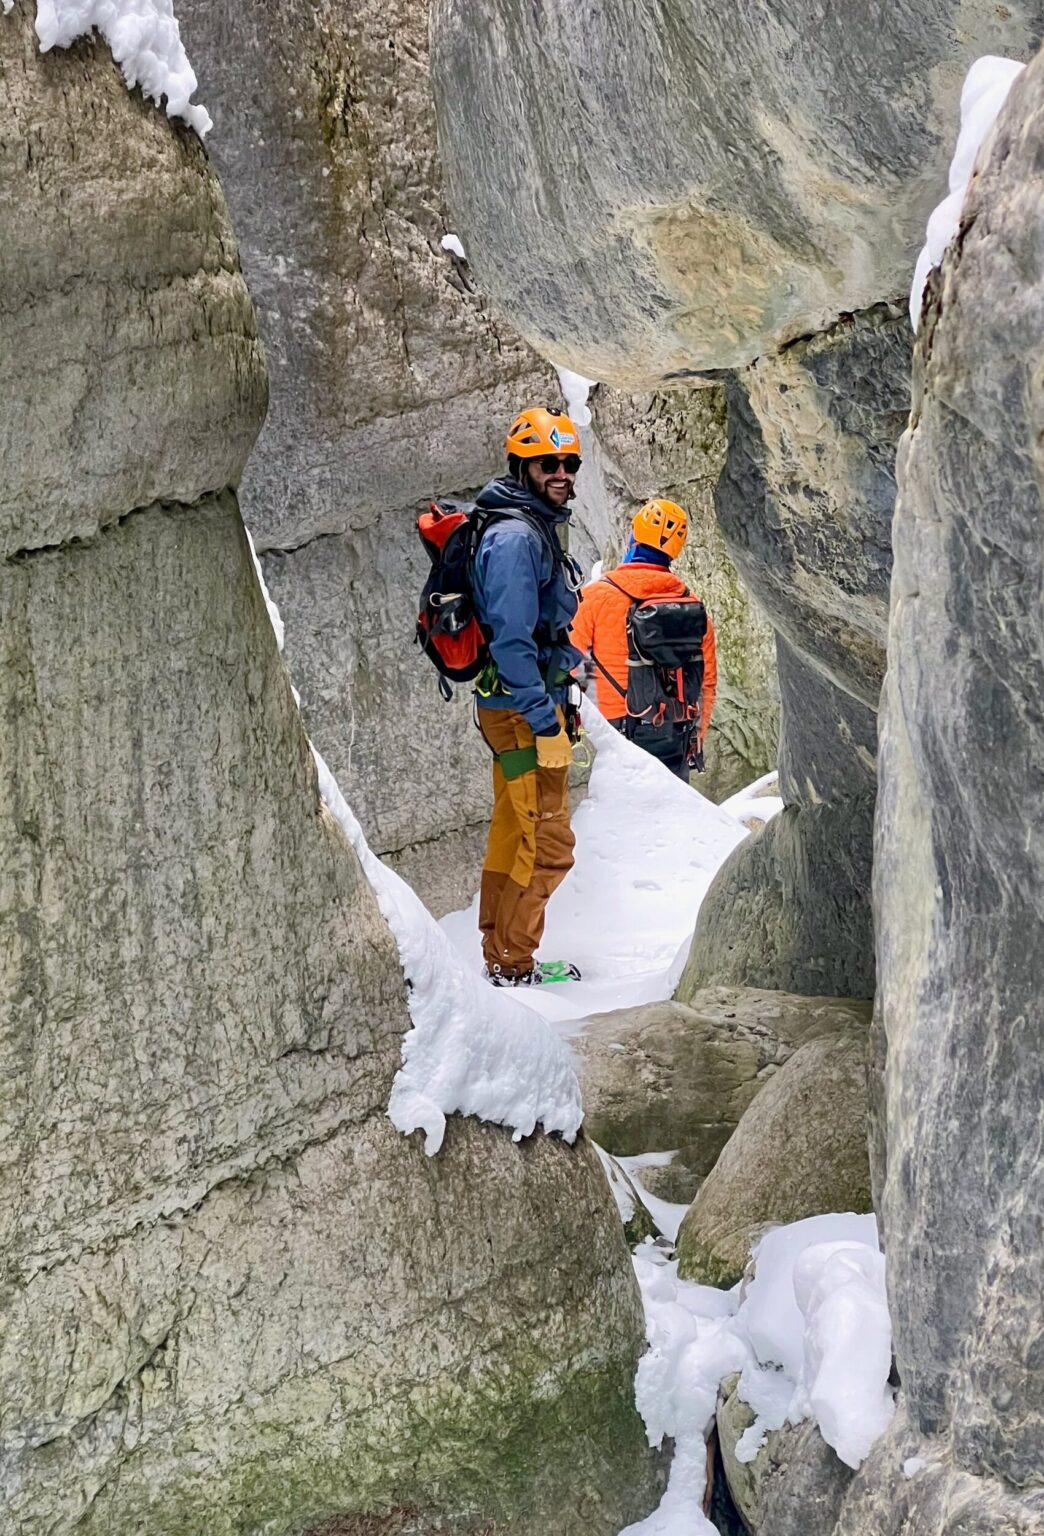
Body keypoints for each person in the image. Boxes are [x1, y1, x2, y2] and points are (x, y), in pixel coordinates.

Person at [470, 406, 586, 987]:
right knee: (548, 843)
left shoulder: (525, 525)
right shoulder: (516, 537)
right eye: (548, 464)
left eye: (570, 463)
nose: (561, 473)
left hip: (513, 706)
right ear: (522, 467)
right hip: (523, 713)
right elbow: (512, 641)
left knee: (516, 830)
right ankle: (512, 964)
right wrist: (546, 723)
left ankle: (500, 951)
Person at [570, 498, 717, 779]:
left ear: (633, 537)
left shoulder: (596, 597)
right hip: (676, 733)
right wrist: (696, 737)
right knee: (673, 804)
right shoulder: (691, 604)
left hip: (618, 732)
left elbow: (571, 663)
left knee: (625, 805)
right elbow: (706, 681)